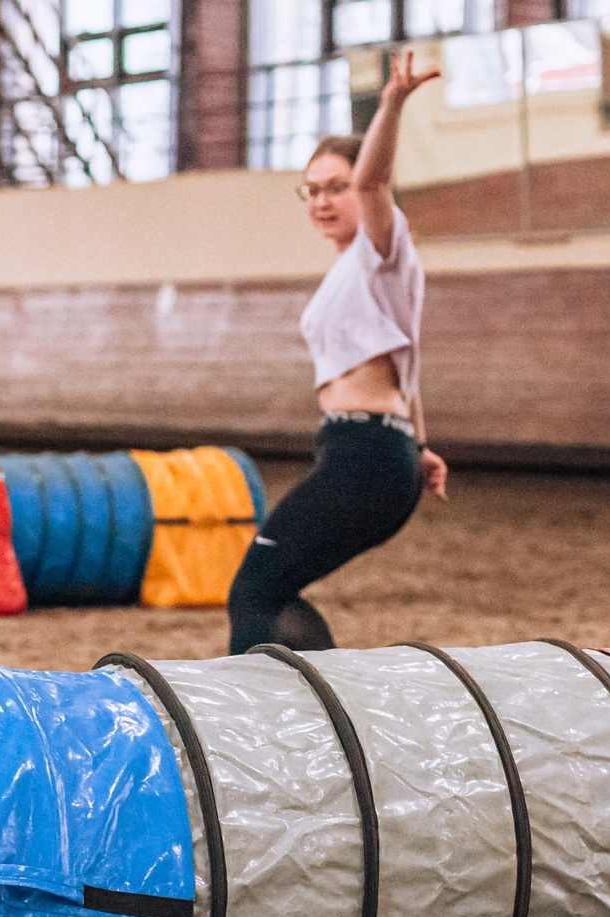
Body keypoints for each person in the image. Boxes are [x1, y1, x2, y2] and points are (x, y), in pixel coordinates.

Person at [226, 50, 450, 655]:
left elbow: (375, 180)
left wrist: (391, 104)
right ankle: (324, 698)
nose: (322, 201)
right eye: (312, 190)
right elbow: (405, 362)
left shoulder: (383, 249)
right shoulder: (354, 271)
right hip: (368, 449)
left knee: (253, 591)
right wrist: (419, 444)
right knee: (269, 590)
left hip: (365, 455)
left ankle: (279, 705)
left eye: (337, 188)